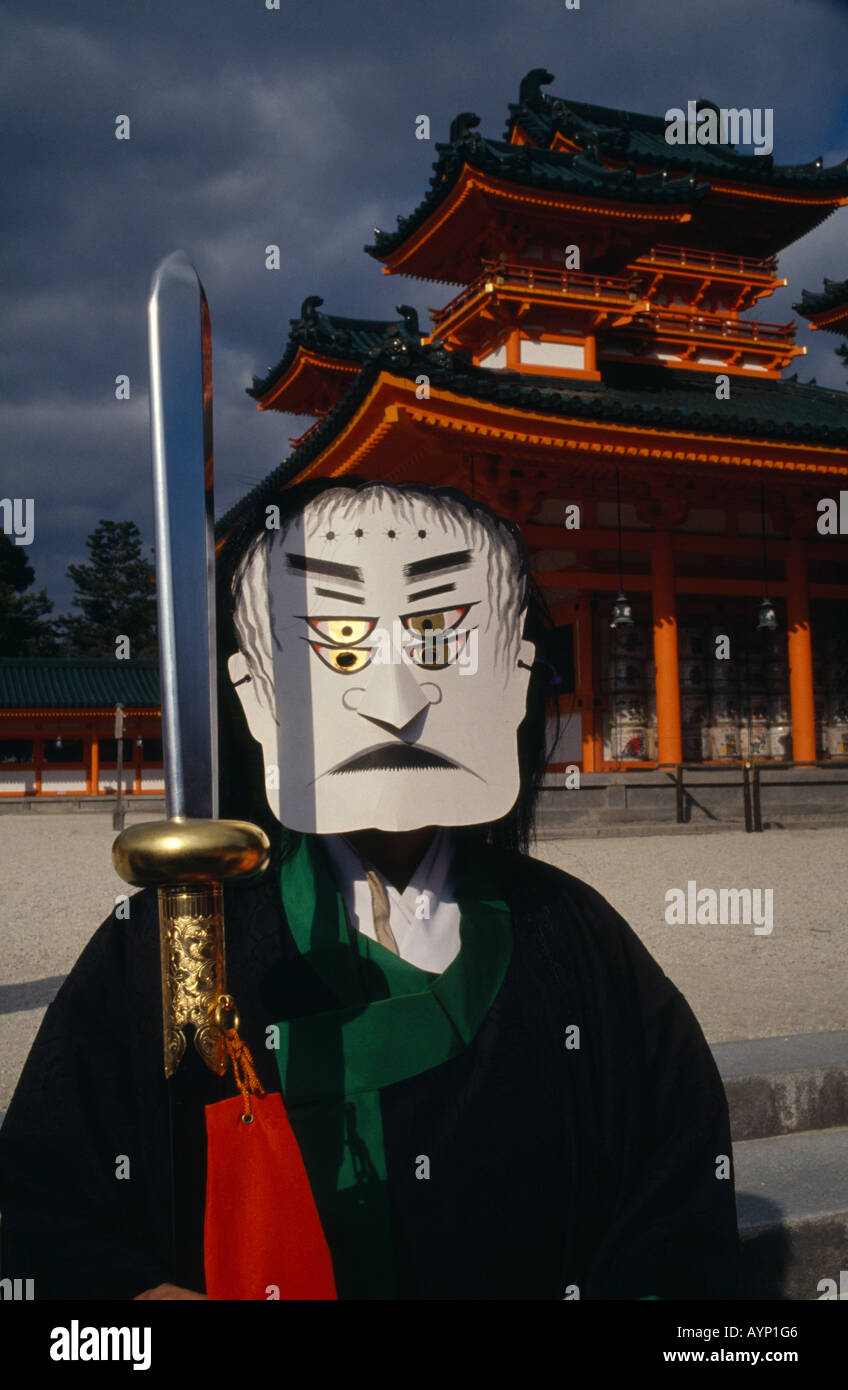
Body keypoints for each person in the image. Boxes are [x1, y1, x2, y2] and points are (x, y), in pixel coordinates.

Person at [0, 480, 739, 1300]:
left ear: (516, 673)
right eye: (340, 645)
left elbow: (677, 1203)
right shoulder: (180, 938)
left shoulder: (575, 938)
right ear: (253, 692)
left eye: (437, 638)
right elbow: (46, 1200)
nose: (396, 707)